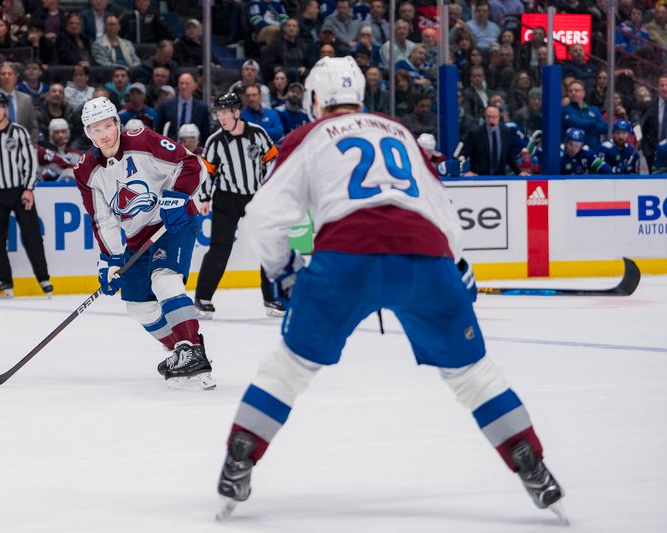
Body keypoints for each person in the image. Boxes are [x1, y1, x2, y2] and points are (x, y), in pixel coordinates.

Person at [214, 56, 566, 523]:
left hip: (345, 258)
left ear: (315, 99)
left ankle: (241, 455)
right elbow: (442, 208)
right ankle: (530, 460)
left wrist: (282, 271)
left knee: (289, 368)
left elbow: (262, 217)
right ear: (361, 95)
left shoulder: (308, 137)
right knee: (472, 374)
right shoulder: (399, 132)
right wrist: (459, 267)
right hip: (425, 259)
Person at [74, 96, 214, 390]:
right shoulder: (86, 170)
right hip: (137, 240)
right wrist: (109, 260)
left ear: (117, 123)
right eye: (95, 129)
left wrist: (178, 196)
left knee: (164, 279)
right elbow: (103, 220)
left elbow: (192, 164)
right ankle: (181, 352)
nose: (104, 135)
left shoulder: (143, 140)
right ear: (88, 133)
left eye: (107, 126)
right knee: (137, 306)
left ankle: (190, 347)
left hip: (172, 223)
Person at [195, 93, 283, 319]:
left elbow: (272, 161)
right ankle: (203, 297)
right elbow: (207, 173)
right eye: (218, 113)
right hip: (226, 199)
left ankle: (272, 297)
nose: (221, 118)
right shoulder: (216, 141)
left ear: (236, 112)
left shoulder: (258, 133)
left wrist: (271, 190)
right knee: (219, 249)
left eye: (225, 113)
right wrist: (204, 198)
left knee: (268, 245)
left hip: (255, 197)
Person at [0, 92, 52, 299]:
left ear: (6, 110)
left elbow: (29, 161)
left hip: (19, 191)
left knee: (31, 235)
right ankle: (4, 279)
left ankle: (43, 278)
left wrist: (28, 188)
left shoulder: (19, 132)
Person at [0, 62, 40, 143]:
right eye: (3, 74)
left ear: (15, 77)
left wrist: (32, 146)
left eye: (9, 74)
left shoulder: (26, 99)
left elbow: (33, 127)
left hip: (22, 145)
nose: (6, 77)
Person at [462, 105, 528, 176]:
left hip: (499, 177)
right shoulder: (475, 133)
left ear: (499, 117)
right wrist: (467, 172)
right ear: (485, 117)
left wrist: (519, 172)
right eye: (488, 116)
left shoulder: (506, 132)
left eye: (494, 117)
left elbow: (509, 156)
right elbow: (464, 155)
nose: (491, 119)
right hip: (479, 177)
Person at [154, 73, 211, 142]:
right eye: (181, 83)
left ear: (194, 86)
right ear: (178, 85)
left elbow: (205, 133)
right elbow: (159, 130)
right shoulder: (166, 106)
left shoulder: (202, 108)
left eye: (187, 84)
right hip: (171, 146)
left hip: (194, 149)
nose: (184, 86)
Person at [561, 79, 607, 150]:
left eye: (576, 90)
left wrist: (585, 128)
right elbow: (575, 123)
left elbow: (604, 127)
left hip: (594, 151)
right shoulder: (565, 110)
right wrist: (593, 122)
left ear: (583, 93)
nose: (573, 93)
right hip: (574, 151)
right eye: (570, 91)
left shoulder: (594, 109)